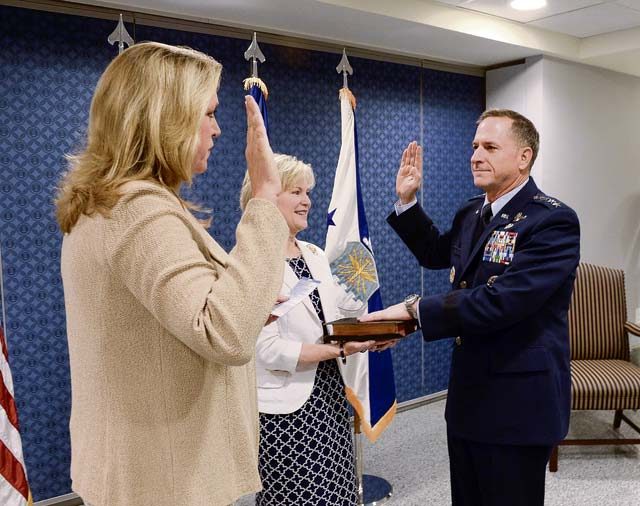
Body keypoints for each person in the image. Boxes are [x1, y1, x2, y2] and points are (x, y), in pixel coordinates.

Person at [55, 42, 288, 506]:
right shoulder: (138, 209)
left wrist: (245, 305)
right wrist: (264, 198)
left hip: (153, 470)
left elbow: (184, 318)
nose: (218, 129)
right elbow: (225, 334)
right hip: (169, 479)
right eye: (208, 113)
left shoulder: (110, 202)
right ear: (167, 116)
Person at [362, 109, 580, 506]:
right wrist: (407, 202)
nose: (476, 155)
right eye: (475, 146)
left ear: (524, 157)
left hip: (518, 401)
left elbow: (502, 301)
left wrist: (413, 312)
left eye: (490, 147)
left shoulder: (552, 221)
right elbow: (435, 253)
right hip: (469, 395)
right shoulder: (471, 211)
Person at [239, 154, 375, 506]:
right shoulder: (250, 261)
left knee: (338, 492)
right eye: (296, 191)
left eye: (307, 192)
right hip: (285, 409)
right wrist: (338, 349)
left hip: (329, 393)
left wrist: (365, 333)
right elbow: (266, 349)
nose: (307, 201)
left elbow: (330, 322)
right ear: (267, 198)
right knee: (296, 497)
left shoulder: (314, 254)